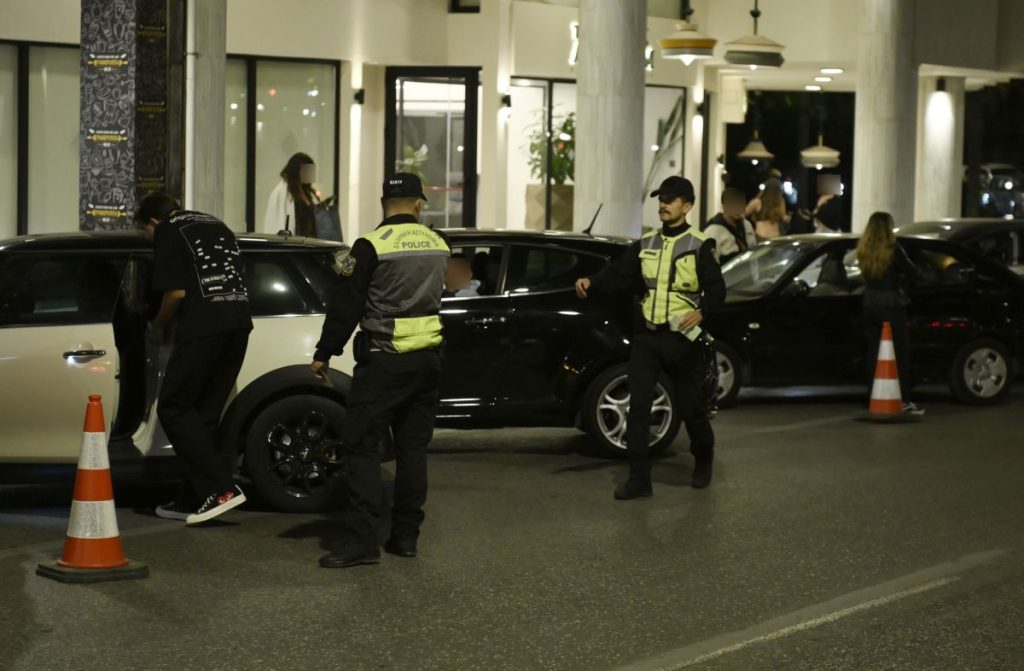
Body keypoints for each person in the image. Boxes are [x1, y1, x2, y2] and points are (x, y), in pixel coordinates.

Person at [311, 173, 450, 569]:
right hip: (428, 360)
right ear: (418, 202)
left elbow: (347, 302)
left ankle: (362, 541)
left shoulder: (371, 245)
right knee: (412, 451)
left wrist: (325, 351)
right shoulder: (439, 242)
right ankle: (405, 537)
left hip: (384, 360)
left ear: (383, 203)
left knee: (362, 447)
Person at [575, 176, 726, 498]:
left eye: (671, 199)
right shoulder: (647, 243)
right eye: (661, 199)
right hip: (648, 337)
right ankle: (639, 478)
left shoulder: (700, 245)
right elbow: (618, 273)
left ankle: (704, 458)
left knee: (692, 409)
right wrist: (592, 281)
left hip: (683, 339)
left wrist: (703, 312)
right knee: (639, 408)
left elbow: (717, 291)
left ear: (687, 206)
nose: (663, 204)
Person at [134, 192, 253, 524]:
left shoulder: (169, 229)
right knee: (203, 416)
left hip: (204, 325)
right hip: (239, 323)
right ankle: (194, 498)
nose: (148, 239)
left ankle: (220, 489)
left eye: (145, 232)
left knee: (173, 407)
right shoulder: (215, 224)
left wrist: (159, 327)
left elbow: (177, 291)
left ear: (153, 222)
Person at [856, 211, 923, 416]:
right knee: (899, 354)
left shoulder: (863, 249)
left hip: (869, 303)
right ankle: (902, 400)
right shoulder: (893, 249)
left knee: (873, 354)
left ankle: (874, 396)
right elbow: (914, 273)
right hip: (892, 305)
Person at [263, 152, 317, 236]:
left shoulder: (307, 192)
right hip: (295, 241)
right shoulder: (280, 192)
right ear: (297, 171)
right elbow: (275, 224)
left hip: (309, 241)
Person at [703, 187, 757, 264]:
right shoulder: (713, 229)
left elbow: (753, 250)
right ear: (723, 206)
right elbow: (708, 262)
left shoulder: (746, 225)